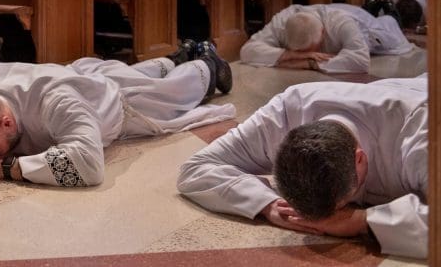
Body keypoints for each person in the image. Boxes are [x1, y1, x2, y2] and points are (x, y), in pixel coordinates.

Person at [177, 75, 428, 259]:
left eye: (344, 202)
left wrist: (364, 220)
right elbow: (197, 167)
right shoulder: (283, 114)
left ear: (359, 160)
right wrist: (267, 204)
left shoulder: (422, 139)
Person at [0, 49, 235, 187]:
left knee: (179, 91)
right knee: (137, 72)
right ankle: (175, 56)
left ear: (7, 122)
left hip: (117, 104)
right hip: (78, 76)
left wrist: (1, 168)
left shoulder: (56, 103)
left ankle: (209, 61)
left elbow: (89, 165)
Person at [239, 3, 412, 73]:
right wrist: (291, 55)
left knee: (390, 23)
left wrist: (311, 64)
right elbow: (248, 50)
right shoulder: (282, 22)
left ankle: (387, 8)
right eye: (302, 52)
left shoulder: (340, 22)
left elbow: (360, 60)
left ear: (323, 33)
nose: (310, 54)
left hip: (371, 28)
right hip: (333, 9)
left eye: (312, 50)